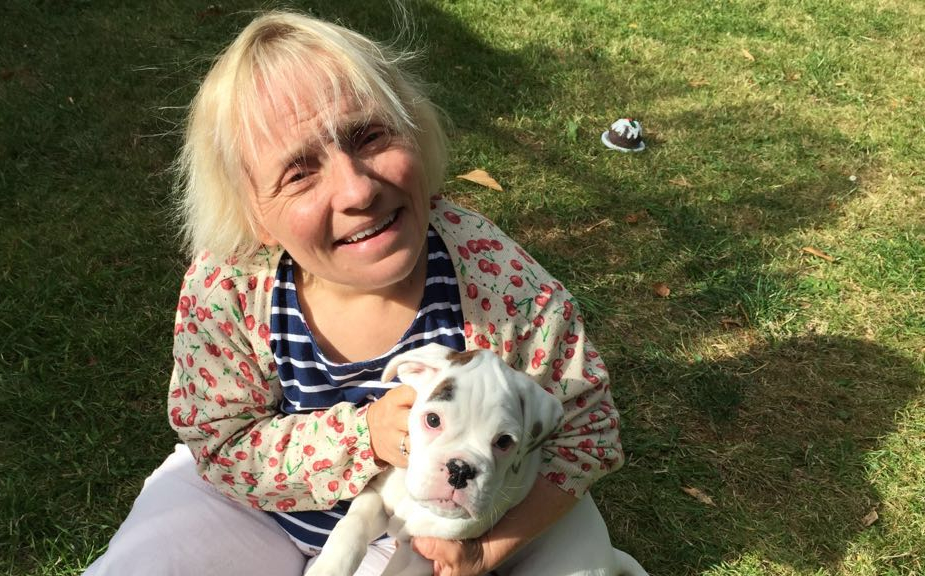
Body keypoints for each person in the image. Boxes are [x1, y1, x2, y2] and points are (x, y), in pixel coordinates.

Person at [84, 10, 623, 576]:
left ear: (416, 130)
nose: (357, 188)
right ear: (255, 217)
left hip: (421, 527)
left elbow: (587, 434)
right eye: (299, 171)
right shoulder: (230, 285)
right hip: (254, 506)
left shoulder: (504, 289)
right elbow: (220, 444)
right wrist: (362, 434)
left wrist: (487, 548)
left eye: (369, 135)